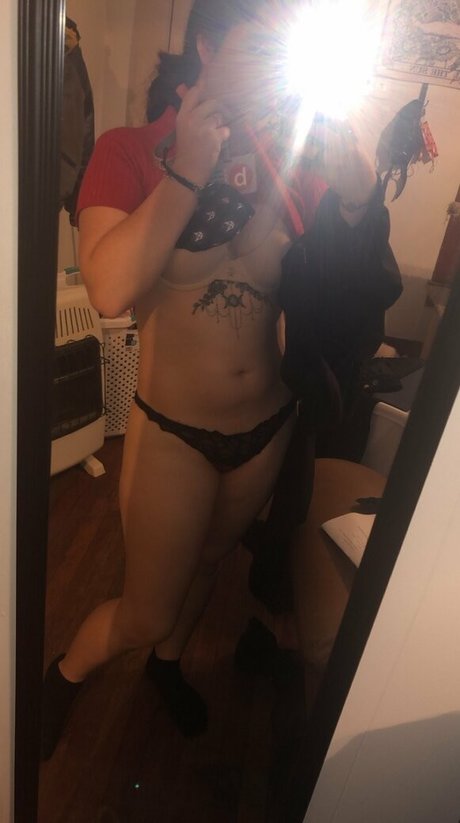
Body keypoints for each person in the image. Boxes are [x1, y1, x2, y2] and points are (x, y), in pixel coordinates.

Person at [41, 0, 381, 760]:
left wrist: (357, 197)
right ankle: (65, 673)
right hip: (174, 432)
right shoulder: (130, 151)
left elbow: (344, 294)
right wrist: (188, 168)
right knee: (144, 610)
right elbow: (109, 289)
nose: (274, 70)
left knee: (207, 564)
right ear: (207, 47)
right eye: (262, 48)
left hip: (267, 427)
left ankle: (166, 667)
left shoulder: (295, 159)